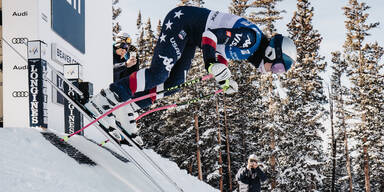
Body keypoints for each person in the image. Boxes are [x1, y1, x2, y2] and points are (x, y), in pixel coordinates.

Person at [84, 6, 297, 144]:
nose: (273, 73)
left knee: (175, 83)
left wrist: (225, 76)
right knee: (159, 74)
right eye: (277, 68)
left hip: (191, 37)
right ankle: (105, 98)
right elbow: (211, 35)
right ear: (271, 53)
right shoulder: (251, 41)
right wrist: (212, 64)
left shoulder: (252, 47)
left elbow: (220, 50)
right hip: (181, 23)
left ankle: (127, 111)